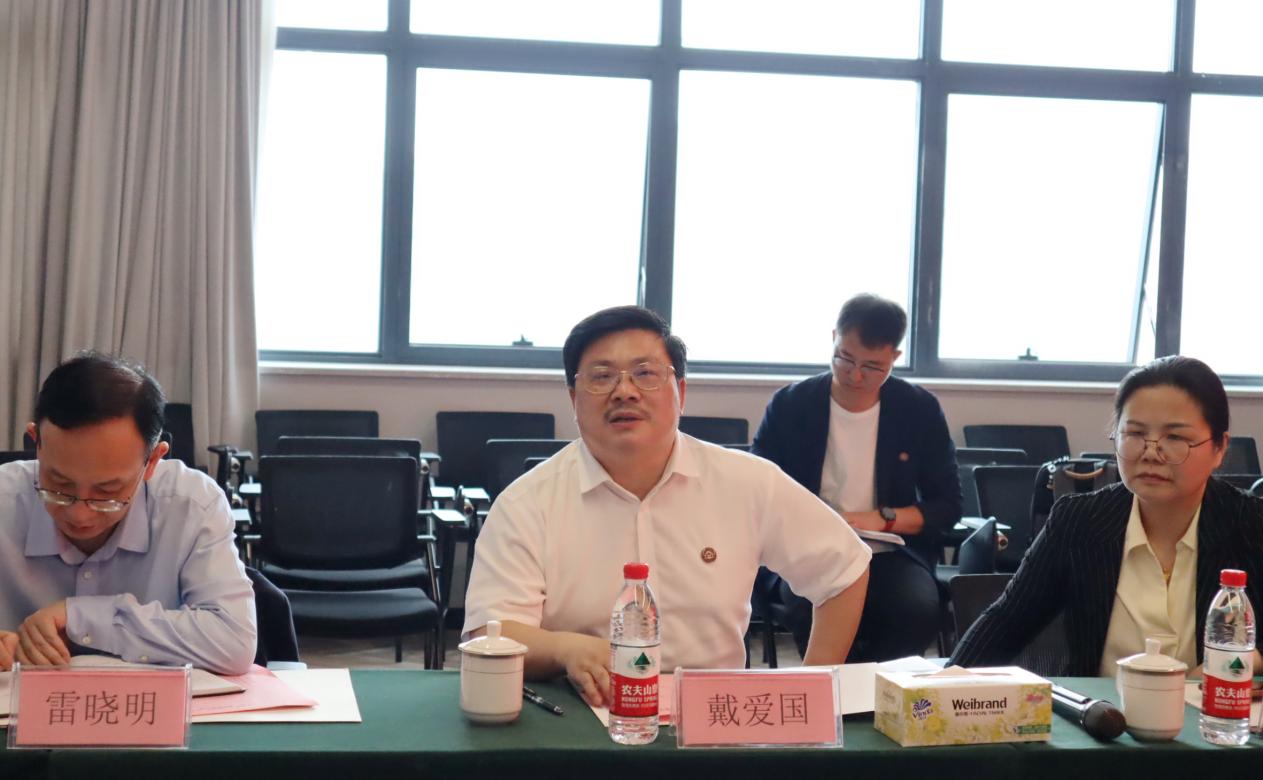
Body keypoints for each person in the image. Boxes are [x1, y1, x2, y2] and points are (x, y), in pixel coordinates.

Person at [463, 306, 871, 706]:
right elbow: (490, 632)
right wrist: (565, 649)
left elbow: (843, 568)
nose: (625, 391)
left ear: (681, 393)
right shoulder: (527, 503)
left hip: (714, 715)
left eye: (645, 374)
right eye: (602, 377)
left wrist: (812, 688)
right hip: (581, 714)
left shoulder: (748, 482)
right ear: (574, 399)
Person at [950, 356, 1263, 676]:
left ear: (1219, 448)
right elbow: (1007, 621)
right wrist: (939, 688)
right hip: (1102, 707)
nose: (1151, 453)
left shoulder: (1251, 525)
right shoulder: (1079, 521)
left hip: (1216, 709)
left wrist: (1246, 661)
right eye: (1135, 434)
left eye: (1175, 438)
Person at [0, 353, 256, 674]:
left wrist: (81, 617)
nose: (80, 514)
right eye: (59, 485)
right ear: (36, 442)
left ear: (152, 461)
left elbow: (233, 640)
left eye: (107, 492)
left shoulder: (191, 505)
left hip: (148, 704)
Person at [752, 293, 961, 662]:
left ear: (895, 357)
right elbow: (756, 489)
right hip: (807, 551)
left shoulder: (918, 409)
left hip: (891, 552)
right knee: (809, 607)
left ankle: (881, 691)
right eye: (845, 358)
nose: (856, 374)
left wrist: (879, 519)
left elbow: (947, 506)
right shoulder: (791, 404)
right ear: (834, 337)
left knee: (914, 608)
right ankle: (831, 691)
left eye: (873, 366)